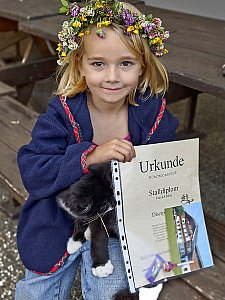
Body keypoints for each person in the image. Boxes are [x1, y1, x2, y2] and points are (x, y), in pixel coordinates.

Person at [15, 0, 179, 299]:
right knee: (37, 290)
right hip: (58, 215)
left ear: (143, 67)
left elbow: (165, 181)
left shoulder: (154, 116)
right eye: (98, 63)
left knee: (111, 290)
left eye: (126, 63)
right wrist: (89, 157)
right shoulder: (61, 114)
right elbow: (34, 172)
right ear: (80, 64)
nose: (112, 76)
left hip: (118, 222)